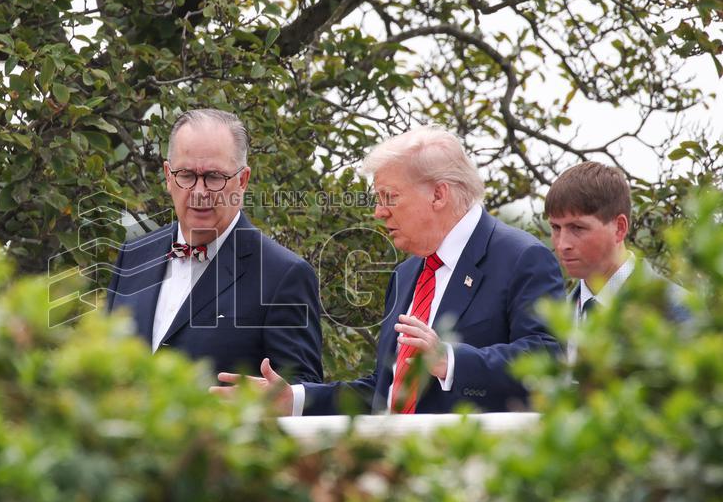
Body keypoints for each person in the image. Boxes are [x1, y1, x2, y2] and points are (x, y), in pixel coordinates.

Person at [213, 126, 564, 414]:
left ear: (438, 195)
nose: (379, 212)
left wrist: (451, 361)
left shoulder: (521, 257)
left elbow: (549, 358)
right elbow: (385, 391)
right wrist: (296, 400)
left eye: (389, 197)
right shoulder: (407, 274)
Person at [106, 109, 323, 383]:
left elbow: (302, 391)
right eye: (186, 175)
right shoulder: (134, 256)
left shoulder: (283, 275)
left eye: (214, 177)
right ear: (168, 176)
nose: (199, 192)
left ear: (242, 181)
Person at [544, 161, 688, 330]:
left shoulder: (675, 310)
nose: (562, 244)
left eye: (577, 228)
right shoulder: (554, 321)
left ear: (619, 228)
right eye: (556, 228)